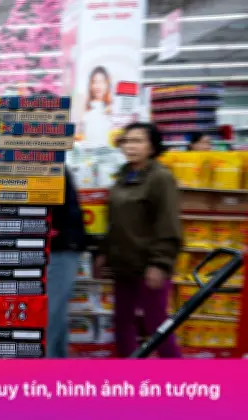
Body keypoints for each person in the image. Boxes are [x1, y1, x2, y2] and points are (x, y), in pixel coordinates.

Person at [97, 122, 182, 358]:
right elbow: (114, 220)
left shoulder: (161, 178)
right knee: (122, 322)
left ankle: (179, 374)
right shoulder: (123, 175)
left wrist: (160, 263)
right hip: (123, 265)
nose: (130, 146)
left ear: (152, 146)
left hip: (149, 265)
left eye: (137, 141)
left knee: (157, 325)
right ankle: (130, 370)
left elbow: (168, 222)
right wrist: (103, 253)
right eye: (127, 141)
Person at [46, 170, 86, 358]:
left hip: (60, 248)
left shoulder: (51, 167)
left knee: (49, 316)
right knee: (57, 317)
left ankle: (43, 370)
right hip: (60, 247)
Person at [82, 66, 113, 149]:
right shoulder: (85, 107)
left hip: (106, 153)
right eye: (94, 82)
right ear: (90, 85)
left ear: (107, 84)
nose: (98, 86)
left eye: (102, 82)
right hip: (87, 153)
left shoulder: (112, 109)